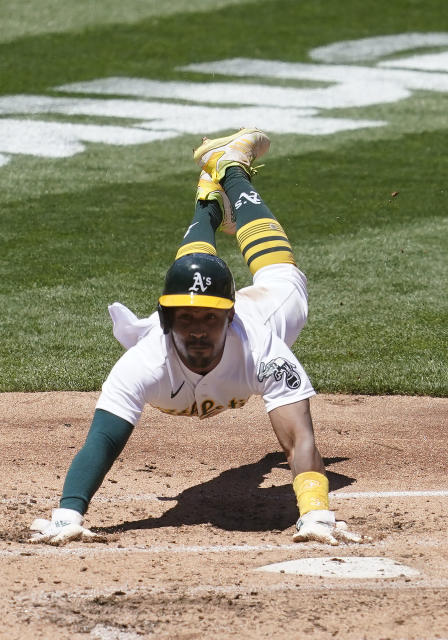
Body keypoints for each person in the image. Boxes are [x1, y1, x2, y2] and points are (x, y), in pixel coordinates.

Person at [29, 128, 366, 547]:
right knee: (192, 274)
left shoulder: (262, 347)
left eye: (210, 318)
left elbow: (299, 438)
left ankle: (231, 170)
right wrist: (68, 514)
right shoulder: (143, 361)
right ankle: (209, 198)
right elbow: (103, 439)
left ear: (230, 318)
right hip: (182, 332)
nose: (198, 329)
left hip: (264, 311)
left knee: (285, 277)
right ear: (165, 319)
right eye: (185, 318)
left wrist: (316, 512)